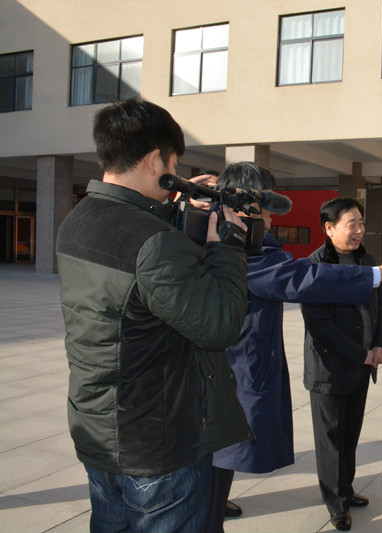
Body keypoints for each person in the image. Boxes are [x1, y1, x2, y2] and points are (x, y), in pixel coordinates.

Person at [186, 164, 382, 533]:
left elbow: (379, 310)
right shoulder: (235, 245)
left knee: (221, 451)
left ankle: (215, 502)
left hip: (228, 369)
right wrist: (376, 275)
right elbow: (300, 279)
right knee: (214, 461)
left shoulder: (223, 235)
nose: (269, 218)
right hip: (230, 369)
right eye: (264, 208)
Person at [55, 98, 251, 533]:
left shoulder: (76, 221)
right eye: (173, 166)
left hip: (99, 431)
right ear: (153, 161)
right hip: (156, 442)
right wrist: (227, 250)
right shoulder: (153, 240)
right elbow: (219, 324)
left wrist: (173, 202)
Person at [300, 198, 382, 532]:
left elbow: (381, 305)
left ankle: (346, 489)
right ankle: (336, 504)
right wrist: (360, 353)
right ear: (329, 228)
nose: (359, 230)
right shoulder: (315, 266)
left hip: (362, 367)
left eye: (361, 223)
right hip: (329, 369)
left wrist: (380, 344)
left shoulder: (366, 261)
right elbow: (321, 326)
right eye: (351, 223)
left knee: (350, 434)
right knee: (331, 439)